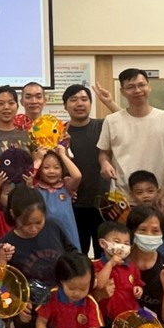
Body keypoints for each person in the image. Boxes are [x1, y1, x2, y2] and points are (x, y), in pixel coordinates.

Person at [0, 186, 78, 328]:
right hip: (29, 316)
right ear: (13, 215)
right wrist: (16, 306)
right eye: (27, 223)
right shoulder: (6, 246)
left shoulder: (53, 226)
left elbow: (73, 255)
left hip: (60, 307)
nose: (34, 228)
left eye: (38, 222)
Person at [98, 69, 164, 200]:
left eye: (141, 85)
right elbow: (104, 153)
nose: (137, 90)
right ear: (122, 91)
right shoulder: (111, 120)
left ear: (149, 87)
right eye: (130, 87)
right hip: (122, 198)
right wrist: (104, 163)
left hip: (157, 197)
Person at [63, 83, 120, 257]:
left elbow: (125, 121)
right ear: (65, 105)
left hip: (103, 204)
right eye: (73, 100)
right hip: (72, 205)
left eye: (84, 99)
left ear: (90, 103)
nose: (79, 104)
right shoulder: (60, 132)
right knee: (76, 256)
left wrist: (109, 102)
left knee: (104, 254)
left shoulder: (102, 125)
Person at [32, 149, 82, 250]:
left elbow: (77, 176)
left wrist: (63, 155)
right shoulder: (35, 189)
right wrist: (38, 160)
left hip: (68, 234)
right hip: (45, 235)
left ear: (62, 169)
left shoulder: (66, 185)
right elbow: (28, 177)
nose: (51, 171)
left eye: (56, 167)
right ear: (39, 170)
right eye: (46, 167)